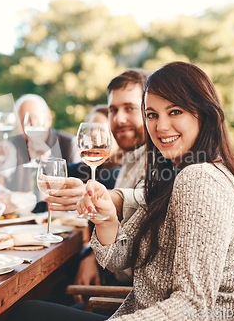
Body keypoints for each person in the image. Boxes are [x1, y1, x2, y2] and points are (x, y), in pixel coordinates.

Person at [6, 61, 234, 320]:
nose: (160, 127)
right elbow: (118, 258)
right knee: (28, 310)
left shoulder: (200, 179)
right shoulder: (175, 174)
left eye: (175, 112)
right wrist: (106, 219)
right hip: (140, 311)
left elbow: (192, 306)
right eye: (152, 114)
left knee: (24, 313)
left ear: (203, 113)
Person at [50, 69, 150, 302]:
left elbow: (144, 198)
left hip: (126, 301)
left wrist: (105, 198)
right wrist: (90, 254)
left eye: (130, 108)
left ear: (150, 110)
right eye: (113, 110)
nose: (119, 118)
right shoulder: (130, 159)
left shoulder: (160, 160)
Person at [67, 104, 122, 189]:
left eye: (101, 129)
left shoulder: (118, 173)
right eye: (91, 129)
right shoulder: (84, 167)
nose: (93, 133)